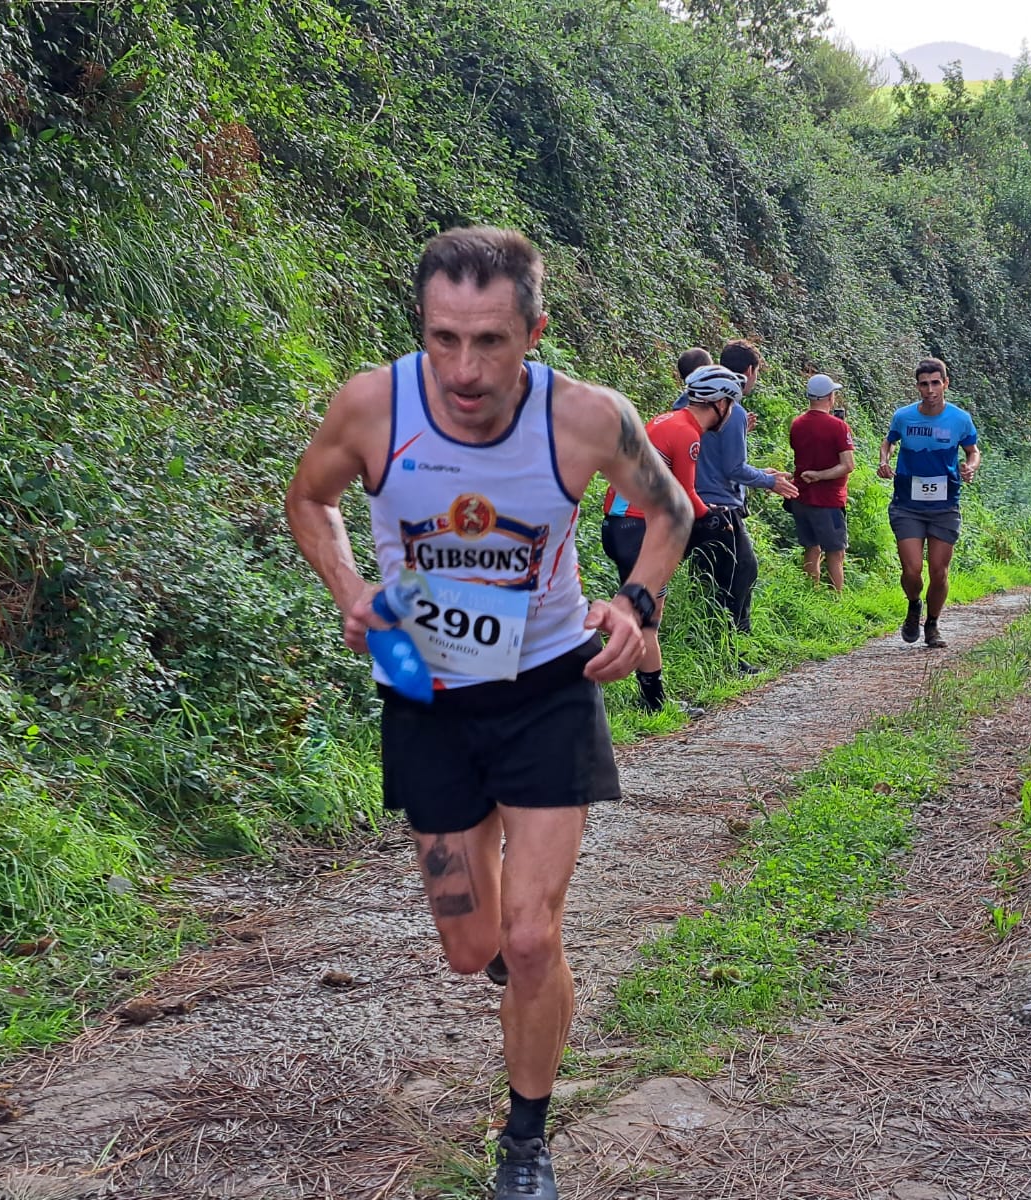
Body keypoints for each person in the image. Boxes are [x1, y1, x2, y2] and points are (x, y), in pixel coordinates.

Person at [284, 226, 692, 1200]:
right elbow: (309, 499)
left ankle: (525, 1138)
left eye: (491, 342)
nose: (464, 369)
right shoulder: (374, 406)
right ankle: (516, 956)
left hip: (548, 691)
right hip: (425, 693)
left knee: (531, 938)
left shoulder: (586, 418)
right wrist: (346, 584)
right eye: (443, 339)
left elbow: (670, 512)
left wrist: (634, 607)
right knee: (473, 952)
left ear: (535, 332)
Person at [601, 365, 743, 715]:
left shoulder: (667, 419)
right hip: (636, 528)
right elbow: (686, 492)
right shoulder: (688, 434)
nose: (731, 410)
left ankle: (648, 697)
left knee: (648, 612)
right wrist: (713, 517)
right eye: (730, 403)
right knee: (645, 618)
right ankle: (652, 704)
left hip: (623, 524)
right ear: (720, 404)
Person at [675, 340, 798, 659]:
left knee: (706, 578)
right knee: (742, 572)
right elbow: (732, 468)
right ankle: (734, 648)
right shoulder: (733, 411)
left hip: (688, 503)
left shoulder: (683, 404)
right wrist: (770, 481)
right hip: (719, 508)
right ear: (749, 372)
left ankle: (708, 644)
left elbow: (711, 457)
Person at [879, 357, 980, 649]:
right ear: (917, 387)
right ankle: (914, 605)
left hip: (945, 505)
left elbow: (973, 450)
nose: (930, 389)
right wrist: (884, 460)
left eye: (936, 383)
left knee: (938, 570)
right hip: (907, 503)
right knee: (912, 571)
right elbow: (889, 442)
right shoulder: (904, 417)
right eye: (924, 384)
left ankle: (932, 624)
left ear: (945, 384)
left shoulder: (960, 419)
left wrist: (971, 466)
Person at [788, 373, 856, 590]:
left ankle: (811, 595)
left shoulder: (796, 424)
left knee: (811, 547)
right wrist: (820, 476)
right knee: (835, 553)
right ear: (830, 396)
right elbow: (848, 465)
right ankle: (837, 600)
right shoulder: (838, 427)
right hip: (828, 500)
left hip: (801, 497)